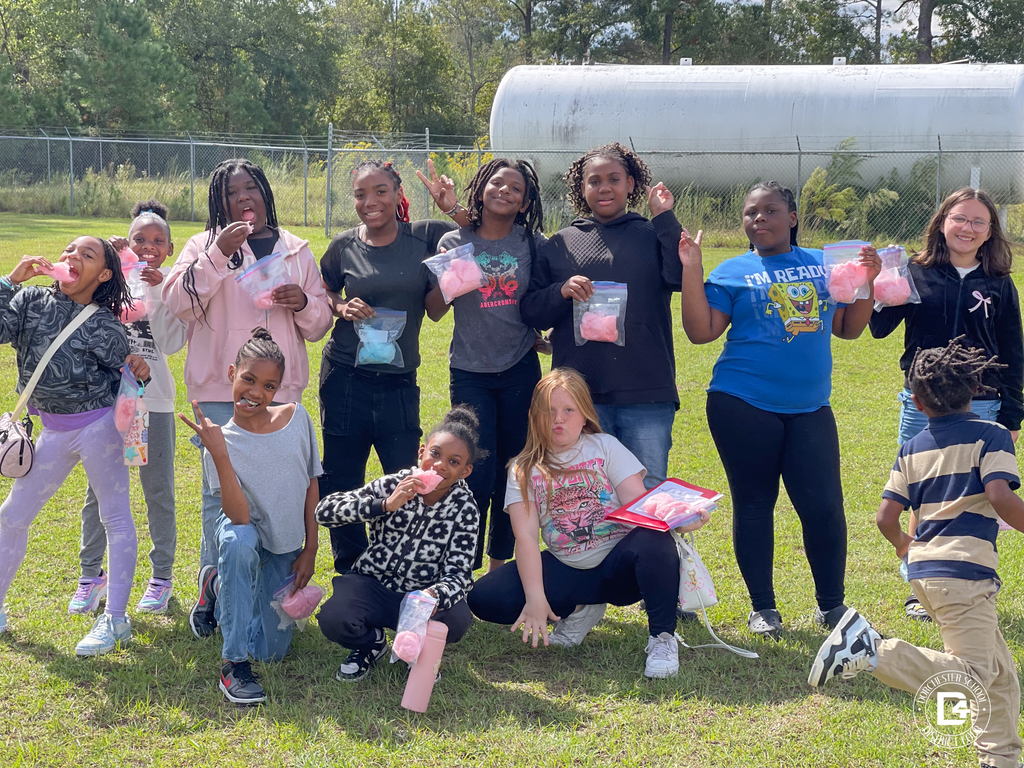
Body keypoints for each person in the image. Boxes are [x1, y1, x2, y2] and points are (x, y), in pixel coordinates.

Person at [678, 181, 880, 638]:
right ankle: (763, 608)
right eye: (751, 213)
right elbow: (700, 331)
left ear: (792, 217)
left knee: (824, 507)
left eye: (770, 211)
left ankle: (831, 606)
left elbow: (849, 328)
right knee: (754, 504)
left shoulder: (823, 265)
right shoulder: (732, 271)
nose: (759, 220)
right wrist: (693, 268)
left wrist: (866, 281)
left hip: (810, 407)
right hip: (741, 402)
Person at [809, 338, 1024, 768]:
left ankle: (1000, 758)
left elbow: (886, 517)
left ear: (918, 403)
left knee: (999, 675)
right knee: (973, 677)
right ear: (975, 388)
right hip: (965, 574)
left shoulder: (912, 447)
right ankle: (870, 649)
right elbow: (999, 494)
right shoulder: (993, 436)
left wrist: (907, 548)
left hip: (925, 572)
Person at [161, 158, 332, 638]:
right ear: (221, 201)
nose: (244, 198)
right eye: (232, 193)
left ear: (265, 192)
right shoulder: (203, 245)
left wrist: (304, 303)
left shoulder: (294, 250)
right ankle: (211, 590)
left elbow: (319, 325)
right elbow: (177, 304)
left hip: (279, 396)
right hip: (219, 391)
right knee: (220, 496)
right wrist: (219, 253)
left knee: (279, 492)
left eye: (251, 188)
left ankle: (270, 592)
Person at [468, 368, 709, 679]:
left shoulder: (605, 446)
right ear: (534, 416)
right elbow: (526, 537)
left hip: (619, 568)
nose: (559, 419)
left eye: (569, 410)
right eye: (549, 411)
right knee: (485, 597)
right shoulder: (523, 469)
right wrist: (536, 598)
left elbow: (641, 505)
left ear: (585, 415)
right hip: (568, 567)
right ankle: (583, 609)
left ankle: (662, 638)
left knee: (654, 536)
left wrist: (680, 522)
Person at [869, 187, 1023, 621]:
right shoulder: (915, 272)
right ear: (942, 222)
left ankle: (976, 578)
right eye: (960, 218)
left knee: (979, 498)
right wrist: (878, 281)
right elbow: (879, 327)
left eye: (979, 222)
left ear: (991, 232)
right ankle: (921, 587)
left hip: (984, 405)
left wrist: (1012, 413)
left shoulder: (998, 282)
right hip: (924, 405)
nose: (968, 228)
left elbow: (1013, 349)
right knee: (925, 497)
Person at [0, 237, 150, 655]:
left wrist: (137, 366)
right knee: (11, 516)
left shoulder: (104, 323)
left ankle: (115, 620)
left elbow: (125, 367)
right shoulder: (29, 300)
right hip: (52, 430)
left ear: (103, 275)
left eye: (87, 255)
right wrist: (8, 282)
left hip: (99, 427)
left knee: (115, 518)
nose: (72, 258)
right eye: (69, 250)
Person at [318, 159, 458, 575]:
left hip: (399, 383)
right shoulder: (344, 246)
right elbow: (323, 289)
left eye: (380, 191)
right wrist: (341, 306)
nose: (370, 201)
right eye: (361, 193)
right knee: (343, 477)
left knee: (408, 476)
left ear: (398, 194)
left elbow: (434, 312)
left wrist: (452, 280)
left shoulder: (425, 237)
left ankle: (398, 563)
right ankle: (350, 569)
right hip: (345, 378)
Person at [519, 142, 683, 490]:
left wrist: (664, 217)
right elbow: (531, 309)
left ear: (630, 185)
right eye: (594, 181)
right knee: (590, 493)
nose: (604, 187)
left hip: (646, 392)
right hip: (579, 397)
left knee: (648, 489)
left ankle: (652, 547)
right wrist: (560, 291)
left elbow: (680, 277)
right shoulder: (561, 243)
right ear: (582, 189)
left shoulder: (651, 235)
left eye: (613, 179)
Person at [179, 328, 321, 706]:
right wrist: (220, 453)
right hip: (244, 533)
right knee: (239, 542)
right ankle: (233, 665)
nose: (256, 392)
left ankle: (219, 587)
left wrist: (310, 548)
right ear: (231, 374)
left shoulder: (298, 418)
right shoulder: (217, 439)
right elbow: (239, 518)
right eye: (248, 379)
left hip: (284, 544)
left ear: (278, 389)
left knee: (271, 651)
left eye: (269, 386)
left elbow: (311, 484)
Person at [70, 200, 188, 617]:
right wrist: (114, 261)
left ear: (170, 248)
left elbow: (172, 343)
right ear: (129, 241)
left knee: (158, 492)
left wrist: (156, 286)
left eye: (158, 240)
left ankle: (162, 579)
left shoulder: (173, 284)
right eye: (140, 239)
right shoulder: (112, 277)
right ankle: (90, 576)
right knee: (98, 493)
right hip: (105, 405)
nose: (149, 246)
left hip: (152, 404)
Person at [432, 158, 549, 573]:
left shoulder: (533, 243)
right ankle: (461, 566)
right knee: (473, 471)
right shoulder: (454, 241)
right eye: (497, 183)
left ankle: (500, 566)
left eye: (515, 188)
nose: (505, 191)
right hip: (470, 372)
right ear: (481, 188)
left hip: (519, 368)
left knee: (513, 471)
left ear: (525, 201)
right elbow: (433, 312)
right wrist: (448, 279)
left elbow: (544, 298)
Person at [315, 405, 483, 682]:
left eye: (454, 462)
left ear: (465, 471)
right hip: (376, 585)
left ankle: (417, 650)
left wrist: (433, 595)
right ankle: (371, 643)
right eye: (435, 454)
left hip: (422, 595)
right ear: (421, 452)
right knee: (335, 617)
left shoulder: (465, 509)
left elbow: (460, 574)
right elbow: (324, 512)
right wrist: (384, 505)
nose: (440, 465)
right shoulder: (394, 484)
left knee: (457, 618)